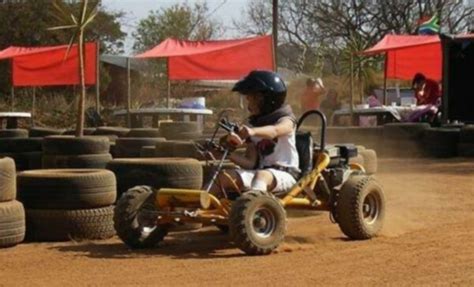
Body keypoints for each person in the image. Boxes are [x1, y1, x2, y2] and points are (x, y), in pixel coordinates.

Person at [210, 70, 300, 195]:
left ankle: (256, 207)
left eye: (252, 99)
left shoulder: (287, 120)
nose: (249, 105)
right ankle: (195, 208)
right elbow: (251, 163)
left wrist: (252, 132)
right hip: (258, 173)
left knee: (262, 176)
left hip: (285, 175)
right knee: (223, 177)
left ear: (266, 100)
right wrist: (226, 153)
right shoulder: (253, 124)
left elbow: (274, 131)